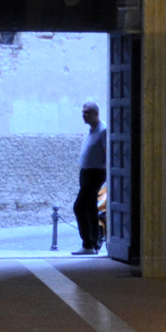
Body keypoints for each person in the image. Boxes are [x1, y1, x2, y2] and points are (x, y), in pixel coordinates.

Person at [74, 102, 106, 255]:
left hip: (95, 173)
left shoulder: (103, 130)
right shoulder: (92, 130)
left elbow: (108, 154)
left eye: (87, 112)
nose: (83, 115)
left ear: (96, 113)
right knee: (91, 208)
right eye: (83, 112)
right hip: (86, 173)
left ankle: (87, 244)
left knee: (79, 207)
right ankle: (94, 243)